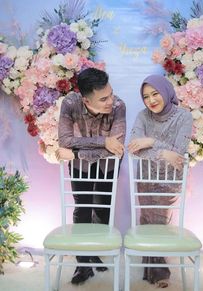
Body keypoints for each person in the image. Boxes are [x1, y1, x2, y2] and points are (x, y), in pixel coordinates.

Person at [56, 68, 126, 285]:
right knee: (82, 209)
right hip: (80, 168)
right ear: (86, 100)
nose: (110, 101)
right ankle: (83, 264)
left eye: (111, 94)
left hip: (107, 165)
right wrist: (103, 141)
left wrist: (77, 152)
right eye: (103, 98)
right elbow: (65, 140)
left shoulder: (118, 106)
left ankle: (95, 251)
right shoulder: (70, 104)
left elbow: (117, 147)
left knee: (103, 209)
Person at [128, 74, 193, 288]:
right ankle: (152, 270)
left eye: (155, 94)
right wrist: (163, 152)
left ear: (165, 92)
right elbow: (135, 149)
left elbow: (179, 153)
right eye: (146, 96)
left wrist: (151, 141)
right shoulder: (142, 116)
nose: (151, 100)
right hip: (145, 177)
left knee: (157, 221)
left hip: (169, 181)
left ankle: (159, 272)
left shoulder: (184, 116)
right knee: (147, 221)